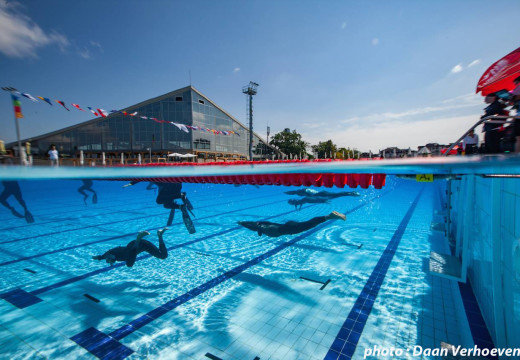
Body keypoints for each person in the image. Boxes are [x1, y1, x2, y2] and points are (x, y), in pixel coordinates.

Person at [92, 228, 169, 267]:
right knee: (163, 256)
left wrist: (99, 257)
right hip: (144, 245)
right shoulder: (115, 257)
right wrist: (99, 258)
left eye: (108, 261)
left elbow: (106, 254)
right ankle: (160, 235)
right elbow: (104, 256)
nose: (109, 262)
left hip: (134, 245)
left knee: (129, 263)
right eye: (108, 261)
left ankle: (139, 236)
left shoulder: (113, 254)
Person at [238, 211, 346, 237]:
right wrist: (244, 222)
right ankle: (327, 217)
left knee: (308, 224)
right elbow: (253, 224)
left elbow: (252, 226)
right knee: (307, 224)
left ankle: (329, 216)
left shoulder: (260, 228)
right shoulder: (263, 224)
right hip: (287, 226)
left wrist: (243, 223)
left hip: (288, 229)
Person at [284, 188, 360, 198]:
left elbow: (294, 192)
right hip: (322, 194)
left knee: (337, 194)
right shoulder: (303, 191)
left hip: (322, 194)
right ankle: (350, 193)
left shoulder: (304, 191)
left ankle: (351, 193)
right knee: (337, 195)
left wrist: (288, 192)